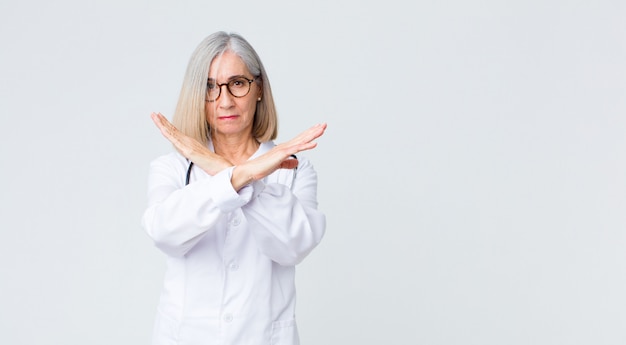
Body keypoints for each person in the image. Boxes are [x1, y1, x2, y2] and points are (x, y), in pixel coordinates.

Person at [141, 31, 327, 345]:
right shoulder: (172, 168)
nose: (224, 100)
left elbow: (293, 247)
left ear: (259, 89)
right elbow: (166, 235)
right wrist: (241, 176)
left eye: (237, 83)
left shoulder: (294, 170)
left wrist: (225, 173)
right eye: (210, 87)